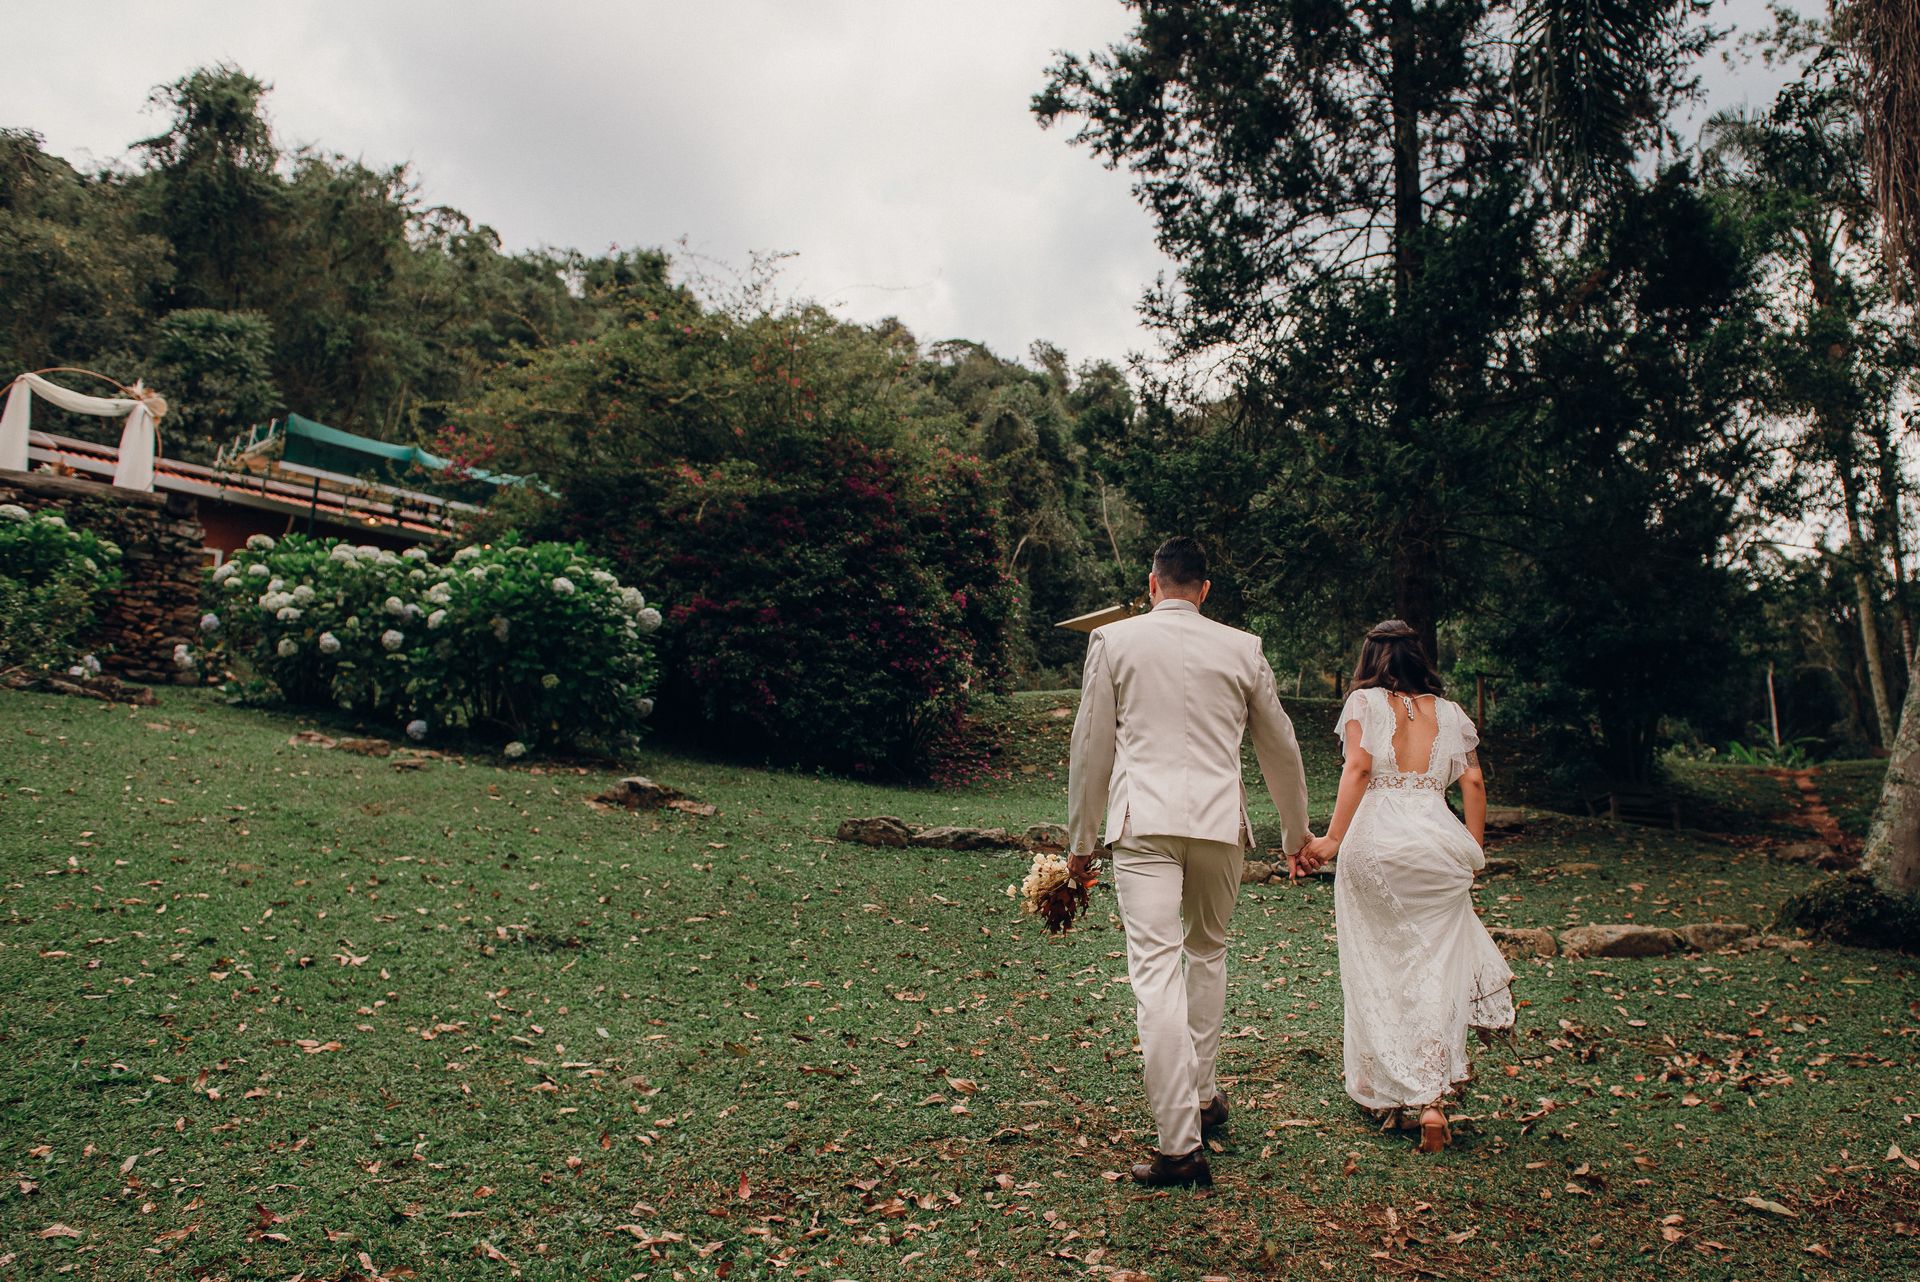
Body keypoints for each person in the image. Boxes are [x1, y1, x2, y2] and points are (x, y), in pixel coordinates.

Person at [1067, 536, 1316, 1188]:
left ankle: (1180, 1143)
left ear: (1152, 585)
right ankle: (1203, 1097)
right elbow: (1282, 748)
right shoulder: (1242, 647)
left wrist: (1080, 844)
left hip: (1144, 824)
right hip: (1216, 825)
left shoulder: (1114, 643)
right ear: (1203, 591)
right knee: (1207, 953)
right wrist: (1296, 835)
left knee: (1156, 974)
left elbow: (1091, 750)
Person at [1298, 620, 1515, 1153]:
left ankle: (1391, 1089)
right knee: (1434, 966)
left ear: (1370, 658)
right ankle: (1432, 1100)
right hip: (1440, 846)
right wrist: (1474, 850)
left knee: (1378, 963)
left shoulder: (1362, 704)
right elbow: (1474, 782)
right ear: (1419, 658)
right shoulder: (1452, 713)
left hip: (1378, 846)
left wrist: (1328, 839)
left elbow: (1359, 770)